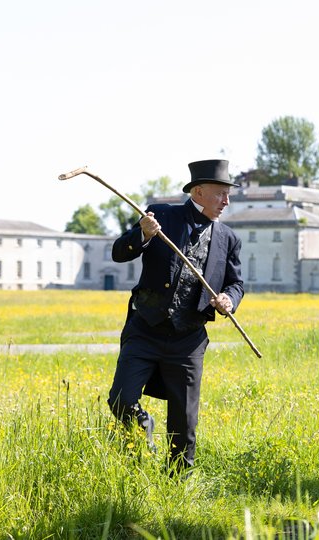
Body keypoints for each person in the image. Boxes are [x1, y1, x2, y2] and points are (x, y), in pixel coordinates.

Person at [107, 159, 244, 472]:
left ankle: (177, 486)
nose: (226, 201)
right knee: (120, 399)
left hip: (188, 340)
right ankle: (143, 425)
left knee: (184, 422)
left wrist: (228, 300)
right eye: (220, 193)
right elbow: (119, 252)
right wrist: (142, 234)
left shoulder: (228, 238)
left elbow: (236, 284)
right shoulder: (161, 215)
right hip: (145, 328)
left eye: (228, 194)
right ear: (198, 191)